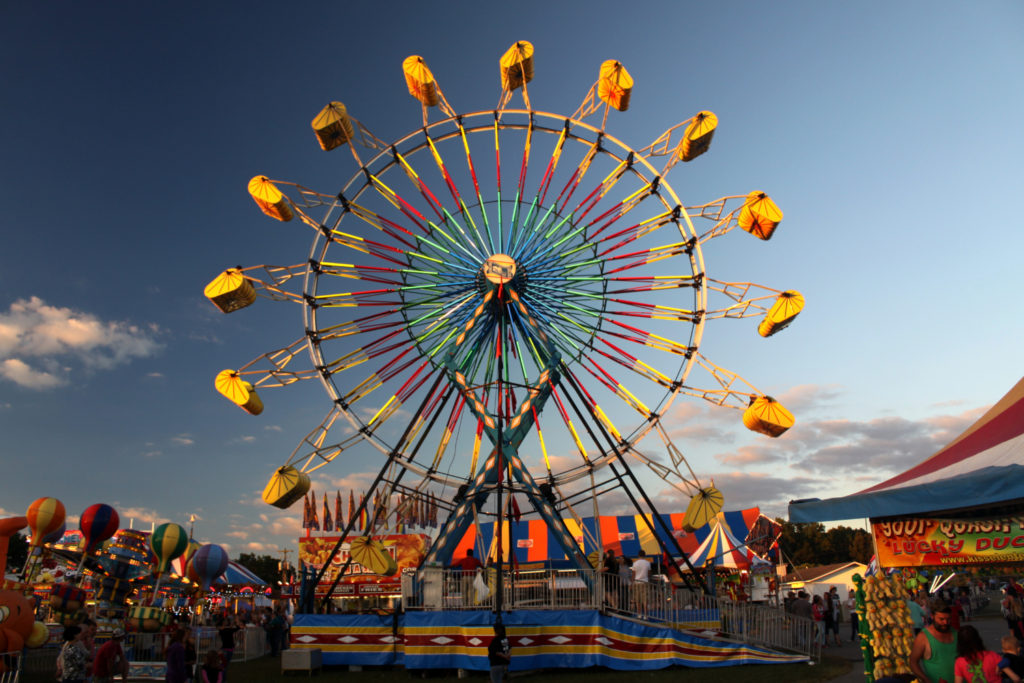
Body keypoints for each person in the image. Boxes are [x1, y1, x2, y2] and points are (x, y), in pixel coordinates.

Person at [910, 599, 958, 683]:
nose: (945, 622)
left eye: (948, 619)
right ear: (932, 616)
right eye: (941, 619)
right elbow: (913, 662)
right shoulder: (923, 637)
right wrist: (926, 679)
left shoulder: (955, 633)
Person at [631, 551, 652, 616]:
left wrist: (632, 583)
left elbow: (633, 574)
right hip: (645, 582)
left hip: (637, 582)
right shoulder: (648, 563)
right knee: (645, 599)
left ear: (638, 555)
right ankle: (645, 615)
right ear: (644, 555)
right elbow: (649, 573)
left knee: (638, 599)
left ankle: (639, 614)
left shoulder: (635, 563)